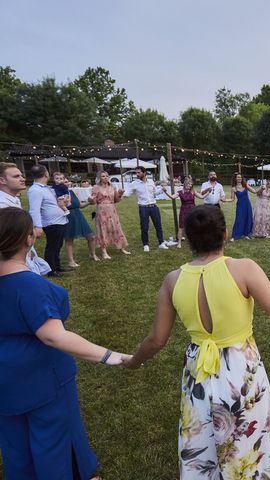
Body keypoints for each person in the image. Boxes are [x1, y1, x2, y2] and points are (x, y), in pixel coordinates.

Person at [123, 204, 270, 478]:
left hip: (198, 373)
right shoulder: (244, 269)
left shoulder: (172, 280)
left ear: (188, 239)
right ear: (225, 235)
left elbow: (156, 340)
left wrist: (133, 361)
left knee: (201, 449)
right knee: (249, 448)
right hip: (242, 372)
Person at [0, 208, 130, 480]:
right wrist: (109, 355)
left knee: (15, 442)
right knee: (54, 439)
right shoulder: (28, 286)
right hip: (40, 375)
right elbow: (52, 335)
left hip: (6, 378)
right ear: (27, 239)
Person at [0, 162, 51, 275]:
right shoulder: (2, 205)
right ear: (2, 180)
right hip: (11, 264)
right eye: (16, 176)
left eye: (21, 175)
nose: (22, 179)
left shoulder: (13, 199)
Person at [27, 164, 69, 278]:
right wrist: (38, 226)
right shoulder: (35, 190)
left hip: (59, 221)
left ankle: (57, 266)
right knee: (52, 246)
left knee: (58, 245)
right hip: (51, 223)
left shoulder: (47, 188)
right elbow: (34, 209)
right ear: (46, 174)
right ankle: (51, 270)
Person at [122, 166, 172, 252]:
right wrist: (121, 193)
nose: (137, 174)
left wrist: (162, 190)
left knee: (158, 226)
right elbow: (127, 194)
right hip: (143, 208)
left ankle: (161, 243)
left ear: (144, 173)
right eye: (136, 173)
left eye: (139, 172)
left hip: (153, 207)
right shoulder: (134, 183)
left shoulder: (151, 182)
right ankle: (145, 244)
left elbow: (154, 193)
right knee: (144, 227)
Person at [89, 171, 130, 259]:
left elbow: (116, 200)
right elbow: (93, 201)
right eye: (103, 176)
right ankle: (104, 252)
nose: (105, 177)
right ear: (99, 178)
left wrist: (120, 194)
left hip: (112, 210)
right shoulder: (96, 187)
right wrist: (91, 200)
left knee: (116, 228)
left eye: (107, 176)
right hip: (101, 210)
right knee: (103, 230)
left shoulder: (112, 187)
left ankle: (121, 247)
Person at [163, 179, 211, 248]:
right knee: (181, 227)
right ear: (185, 184)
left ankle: (195, 241)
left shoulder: (193, 192)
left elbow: (202, 197)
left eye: (191, 185)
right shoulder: (180, 192)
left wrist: (208, 192)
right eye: (188, 184)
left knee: (194, 226)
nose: (189, 186)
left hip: (193, 210)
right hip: (184, 210)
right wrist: (165, 192)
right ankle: (179, 242)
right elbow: (172, 197)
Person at [62, 177, 99, 266]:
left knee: (91, 237)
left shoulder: (73, 192)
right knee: (69, 239)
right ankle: (71, 261)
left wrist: (89, 202)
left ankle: (92, 254)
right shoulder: (58, 194)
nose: (67, 183)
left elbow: (80, 205)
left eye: (67, 181)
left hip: (78, 216)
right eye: (64, 182)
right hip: (68, 217)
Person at [229, 172, 256, 241]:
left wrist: (262, 188)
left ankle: (246, 234)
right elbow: (232, 199)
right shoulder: (233, 188)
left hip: (247, 205)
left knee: (248, 218)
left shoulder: (245, 185)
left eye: (240, 177)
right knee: (239, 219)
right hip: (240, 205)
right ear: (235, 178)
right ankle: (235, 236)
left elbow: (254, 191)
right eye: (238, 177)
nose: (239, 178)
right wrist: (224, 200)